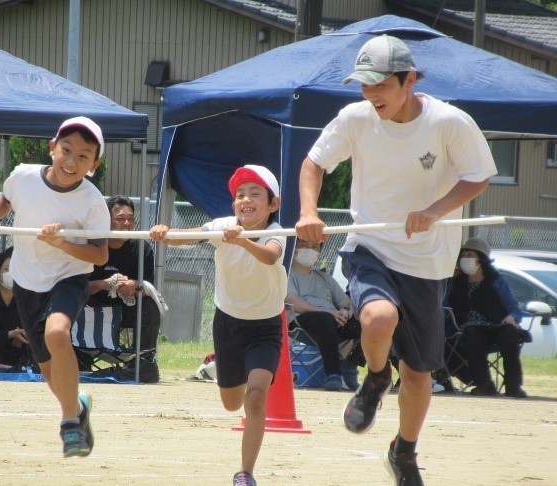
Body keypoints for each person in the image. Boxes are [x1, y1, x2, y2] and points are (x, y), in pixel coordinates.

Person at [295, 34, 497, 485]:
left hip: (427, 263)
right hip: (371, 247)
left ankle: (404, 452)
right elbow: (313, 164)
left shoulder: (449, 122)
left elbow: (478, 176)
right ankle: (375, 377)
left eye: (379, 85)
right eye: (363, 86)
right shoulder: (355, 118)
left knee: (421, 372)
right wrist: (308, 212)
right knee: (378, 318)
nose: (370, 95)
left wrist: (433, 211)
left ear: (408, 80)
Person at [0, 116, 110, 458]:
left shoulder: (92, 201)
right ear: (52, 147)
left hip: (69, 277)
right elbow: (6, 199)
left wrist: (62, 243)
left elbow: (99, 254)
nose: (71, 162)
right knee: (46, 370)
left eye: (83, 157)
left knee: (58, 334)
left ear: (94, 165)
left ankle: (69, 424)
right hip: (28, 281)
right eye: (66, 150)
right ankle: (79, 405)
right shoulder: (25, 175)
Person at [150, 164, 286, 486]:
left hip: (265, 327)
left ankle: (245, 473)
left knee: (255, 396)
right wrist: (165, 234)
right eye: (240, 195)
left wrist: (241, 242)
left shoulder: (276, 232)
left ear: (273, 204)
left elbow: (269, 256)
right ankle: (223, 374)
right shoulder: (223, 226)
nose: (246, 200)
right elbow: (191, 237)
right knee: (231, 403)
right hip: (227, 323)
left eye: (255, 193)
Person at [85, 195, 161, 383]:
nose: (127, 223)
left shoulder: (142, 247)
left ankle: (144, 362)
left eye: (131, 218)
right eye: (120, 219)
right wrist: (105, 284)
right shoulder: (91, 244)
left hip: (127, 308)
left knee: (150, 306)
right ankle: (77, 359)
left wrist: (135, 286)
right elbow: (77, 287)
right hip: (92, 308)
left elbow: (149, 288)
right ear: (107, 221)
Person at [447, 237, 527, 398]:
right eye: (463, 255)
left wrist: (512, 317)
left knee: (510, 335)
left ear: (481, 259)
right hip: (468, 327)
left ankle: (514, 386)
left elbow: (513, 307)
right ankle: (484, 384)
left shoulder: (497, 281)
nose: (465, 258)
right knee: (473, 334)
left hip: (497, 323)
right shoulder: (455, 282)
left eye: (470, 255)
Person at [286, 237, 362, 391]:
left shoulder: (324, 277)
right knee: (324, 320)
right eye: (304, 245)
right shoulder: (287, 274)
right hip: (301, 319)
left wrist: (346, 312)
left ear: (320, 252)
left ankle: (351, 364)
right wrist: (329, 312)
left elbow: (346, 302)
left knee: (368, 318)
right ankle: (333, 374)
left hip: (333, 318)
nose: (309, 249)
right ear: (294, 249)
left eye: (314, 246)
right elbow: (294, 302)